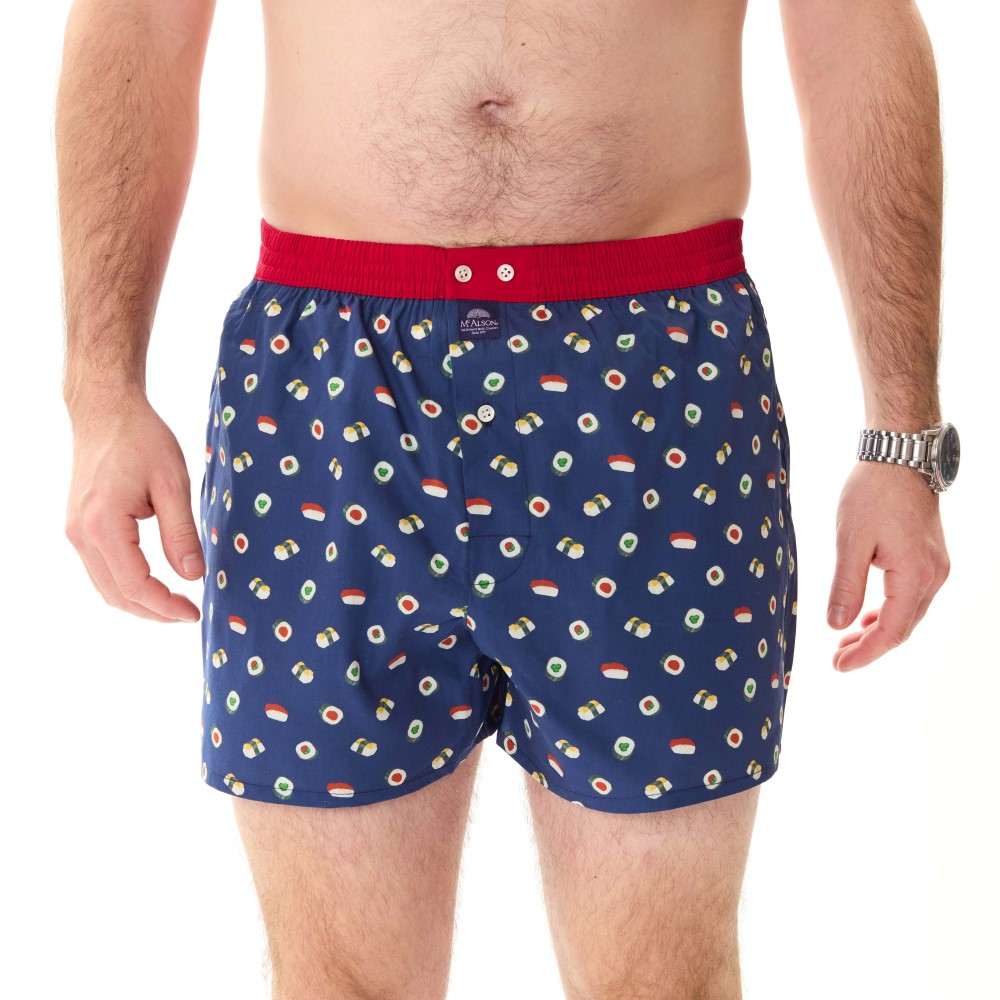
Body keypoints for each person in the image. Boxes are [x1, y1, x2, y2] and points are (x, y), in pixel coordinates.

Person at [55, 1, 955, 997]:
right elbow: (138, 22)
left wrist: (903, 437)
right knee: (339, 982)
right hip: (332, 392)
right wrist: (102, 392)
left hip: (655, 384)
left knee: (663, 984)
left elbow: (855, 31)